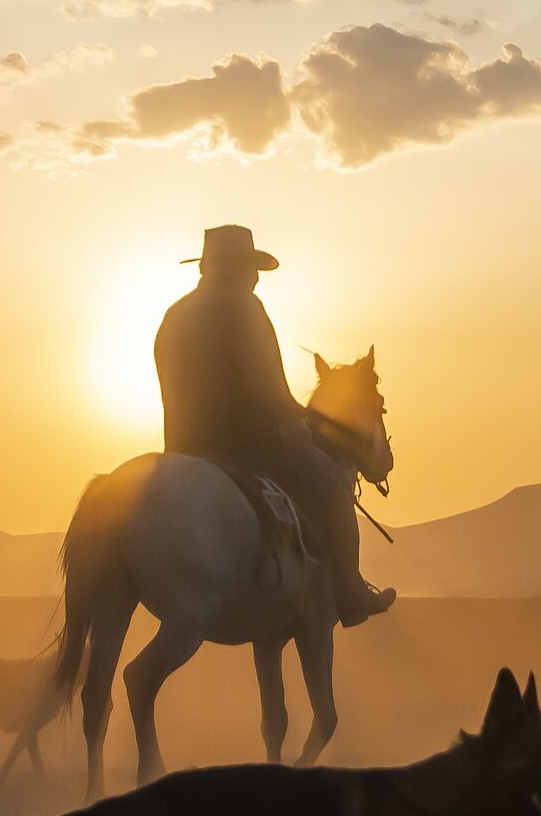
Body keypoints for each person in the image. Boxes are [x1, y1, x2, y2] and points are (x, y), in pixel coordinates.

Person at [153, 224, 391, 626]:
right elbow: (266, 382)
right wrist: (295, 420)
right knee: (333, 490)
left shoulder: (174, 314)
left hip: (180, 445)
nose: (255, 277)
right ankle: (350, 593)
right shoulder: (245, 308)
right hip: (245, 445)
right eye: (251, 268)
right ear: (240, 268)